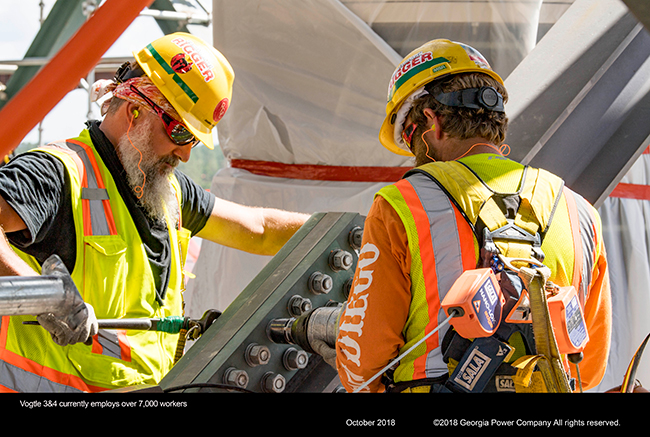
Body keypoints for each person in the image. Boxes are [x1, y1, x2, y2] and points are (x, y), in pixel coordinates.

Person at [0, 32, 310, 393]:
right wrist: (45, 296)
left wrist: (361, 231)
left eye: (193, 140)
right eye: (180, 133)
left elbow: (259, 230)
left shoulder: (165, 191)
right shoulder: (58, 174)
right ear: (135, 111)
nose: (185, 154)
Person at [331, 39, 611, 393]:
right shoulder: (579, 213)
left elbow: (364, 357)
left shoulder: (401, 203)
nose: (412, 151)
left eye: (409, 135)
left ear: (431, 121)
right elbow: (589, 367)